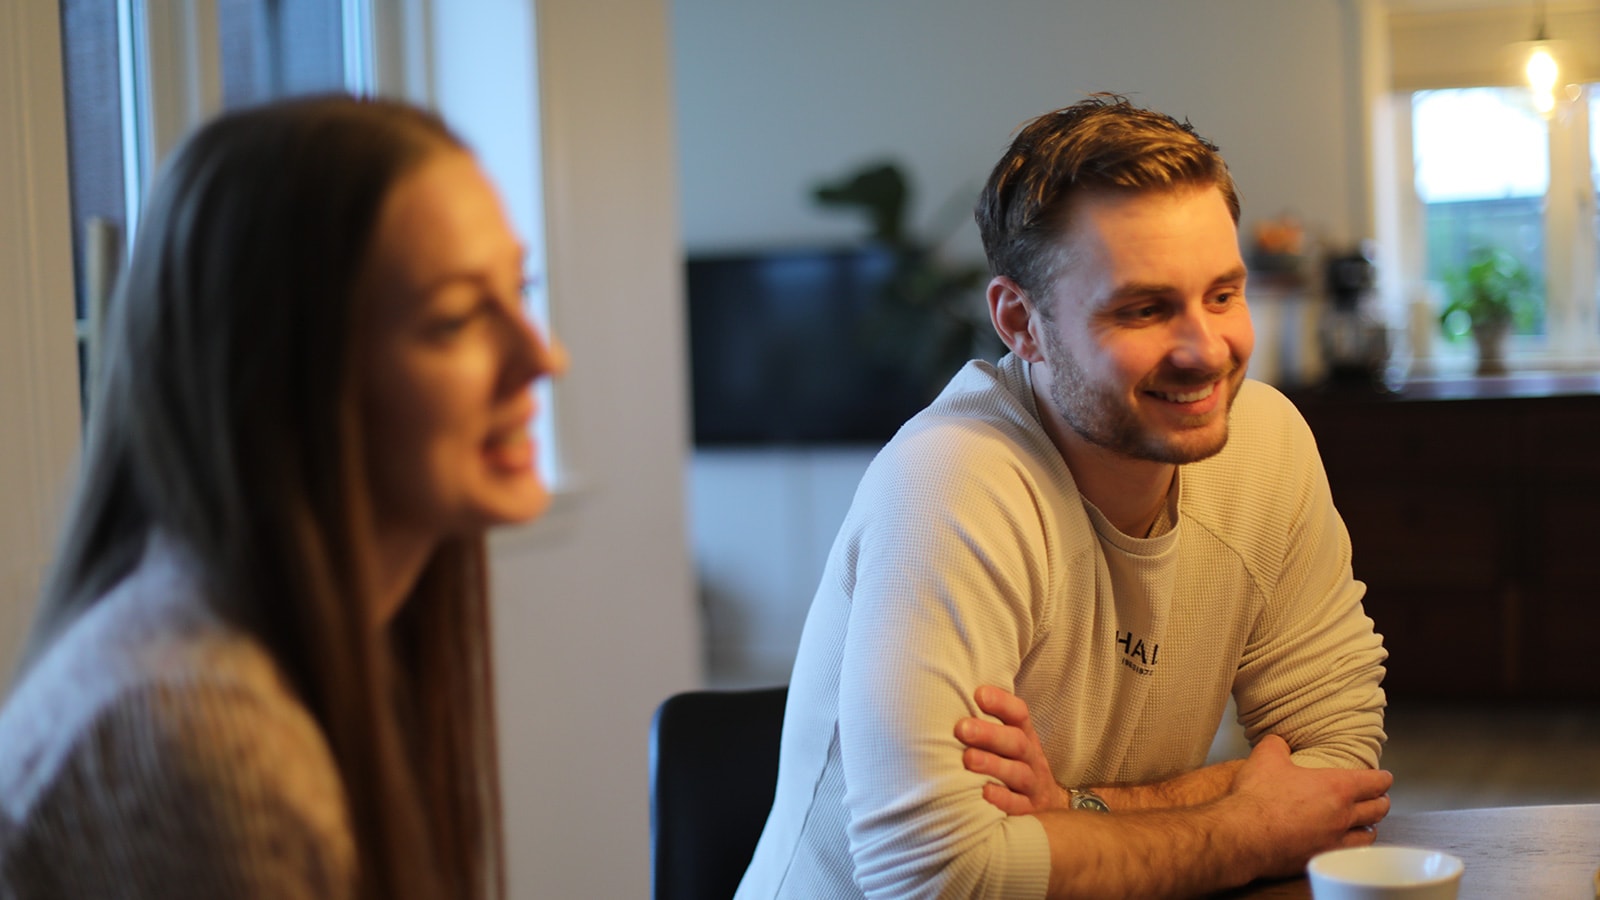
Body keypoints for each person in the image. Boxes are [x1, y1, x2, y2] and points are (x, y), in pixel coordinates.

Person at [735, 94, 1392, 899]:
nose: (1206, 350)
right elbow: (932, 877)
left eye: (1223, 295)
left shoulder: (1266, 441)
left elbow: (1338, 768)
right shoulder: (951, 481)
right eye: (1145, 309)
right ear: (1022, 322)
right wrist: (1246, 823)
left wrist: (1077, 812)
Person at [0, 95, 563, 900]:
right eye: (456, 319)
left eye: (522, 290)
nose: (542, 357)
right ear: (278, 380)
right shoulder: (202, 732)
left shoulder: (258, 661)